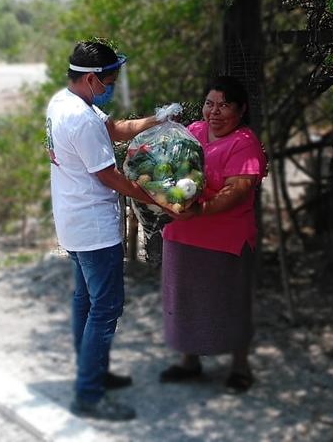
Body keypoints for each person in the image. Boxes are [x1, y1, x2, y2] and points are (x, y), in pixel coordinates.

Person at [45, 40, 179, 421]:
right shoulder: (83, 120)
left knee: (84, 301)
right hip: (94, 227)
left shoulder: (64, 103)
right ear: (90, 79)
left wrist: (157, 120)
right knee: (105, 308)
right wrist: (156, 197)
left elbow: (118, 130)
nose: (111, 86)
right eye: (109, 80)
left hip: (73, 220)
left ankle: (94, 372)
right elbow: (108, 176)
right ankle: (90, 393)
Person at [160, 75, 267, 393]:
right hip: (183, 235)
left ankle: (240, 367)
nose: (215, 112)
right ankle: (189, 361)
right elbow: (170, 170)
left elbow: (239, 188)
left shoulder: (244, 143)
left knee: (230, 303)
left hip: (225, 240)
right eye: (210, 103)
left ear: (241, 109)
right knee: (186, 300)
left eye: (224, 105)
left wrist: (202, 211)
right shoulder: (192, 132)